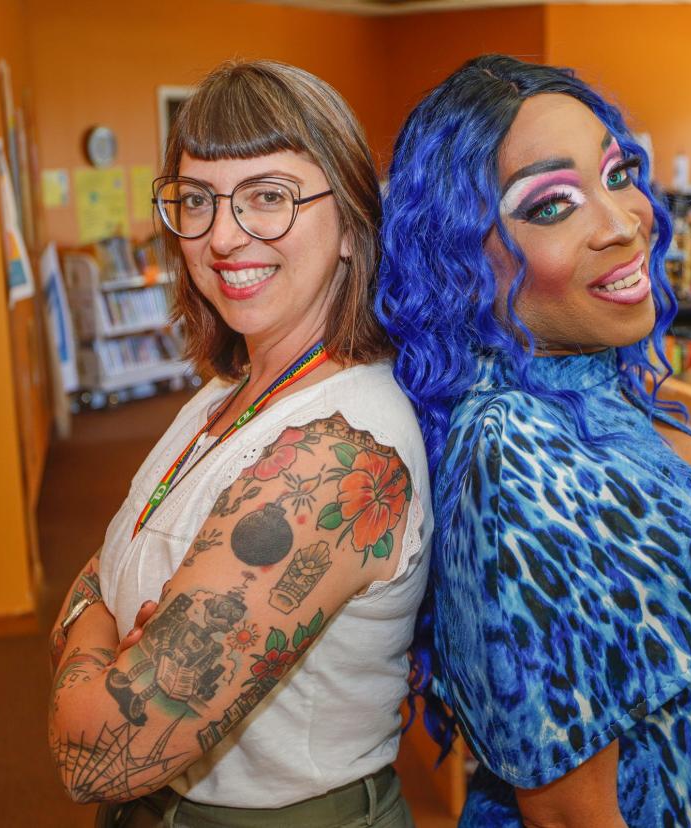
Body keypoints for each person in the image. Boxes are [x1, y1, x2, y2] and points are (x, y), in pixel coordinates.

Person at [376, 55, 691, 827]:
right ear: (462, 257)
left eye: (618, 174)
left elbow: (651, 591)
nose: (622, 222)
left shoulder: (580, 381)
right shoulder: (515, 455)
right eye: (552, 205)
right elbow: (569, 816)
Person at [48, 60, 430, 828]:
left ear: (353, 225)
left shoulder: (339, 453)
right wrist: (116, 633)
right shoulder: (221, 397)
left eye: (268, 197)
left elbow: (94, 750)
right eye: (197, 200)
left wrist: (93, 624)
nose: (223, 235)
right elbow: (105, 566)